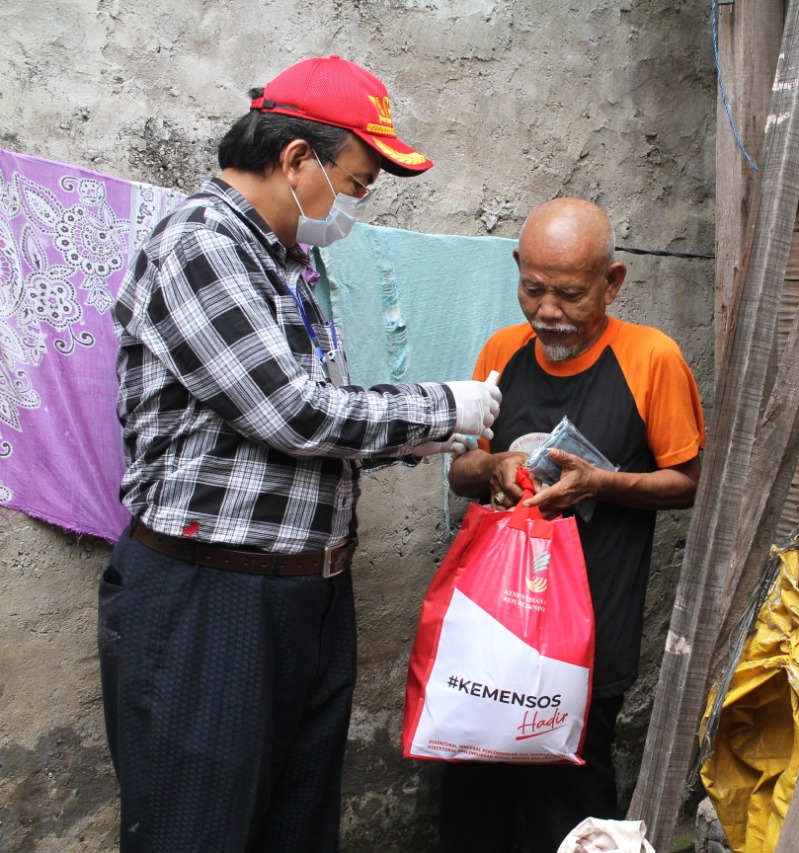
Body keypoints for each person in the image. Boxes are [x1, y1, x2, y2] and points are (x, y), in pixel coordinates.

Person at [99, 55, 501, 853]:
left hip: (303, 598)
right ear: (295, 160)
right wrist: (438, 402)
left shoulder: (288, 262)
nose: (355, 205)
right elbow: (290, 412)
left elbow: (299, 431)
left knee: (297, 826)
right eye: (356, 184)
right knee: (198, 831)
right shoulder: (201, 244)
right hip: (212, 598)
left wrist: (420, 435)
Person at [443, 197, 706, 852]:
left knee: (567, 808)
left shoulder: (652, 358)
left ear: (612, 283)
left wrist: (603, 483)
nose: (548, 310)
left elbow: (690, 484)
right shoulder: (504, 351)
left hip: (587, 636)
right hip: (493, 627)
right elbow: (460, 471)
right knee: (474, 802)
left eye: (569, 293)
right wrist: (495, 466)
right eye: (532, 288)